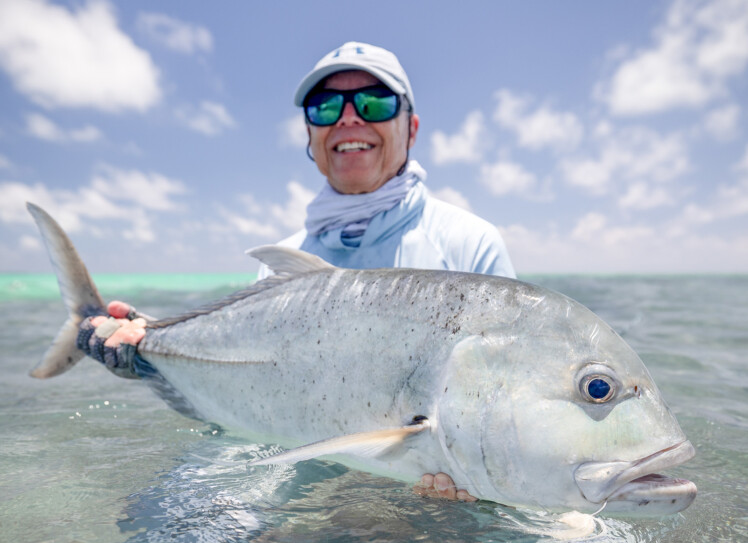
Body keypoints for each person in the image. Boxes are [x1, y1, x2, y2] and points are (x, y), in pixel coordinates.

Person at [79, 41, 515, 503]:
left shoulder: (471, 245)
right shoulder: (284, 261)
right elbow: (239, 398)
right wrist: (149, 353)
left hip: (430, 503)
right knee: (166, 525)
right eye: (325, 107)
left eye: (374, 101)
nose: (349, 118)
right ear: (310, 135)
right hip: (305, 491)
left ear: (412, 128)